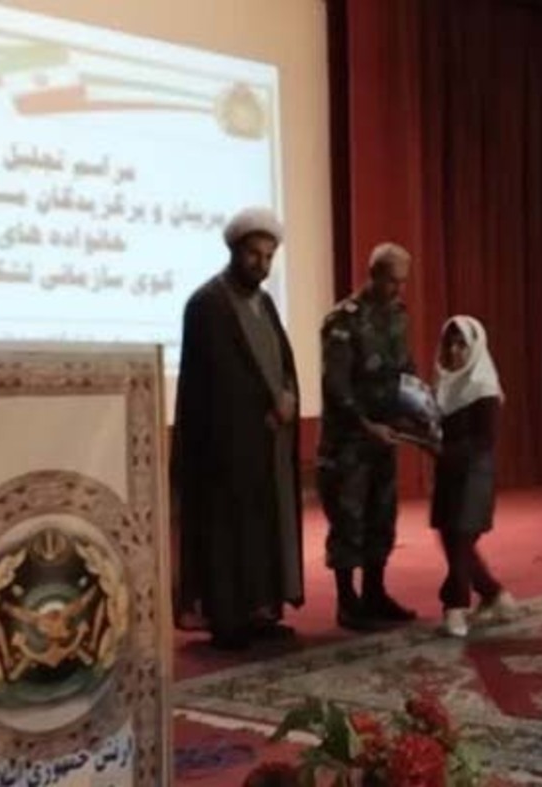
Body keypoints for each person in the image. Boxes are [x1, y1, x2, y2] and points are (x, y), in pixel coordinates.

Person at [171, 207, 303, 651]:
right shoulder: (207, 304)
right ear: (234, 251)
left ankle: (260, 611)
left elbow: (280, 362)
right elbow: (216, 381)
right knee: (229, 531)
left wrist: (288, 396)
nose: (261, 265)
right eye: (253, 255)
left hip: (267, 441)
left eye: (268, 257)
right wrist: (259, 411)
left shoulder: (264, 303)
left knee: (263, 528)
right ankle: (228, 619)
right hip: (225, 446)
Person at [317, 242, 418, 631]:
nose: (399, 289)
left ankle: (375, 592)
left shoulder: (398, 316)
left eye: (403, 282)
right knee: (348, 520)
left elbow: (405, 370)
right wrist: (366, 426)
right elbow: (336, 386)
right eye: (393, 281)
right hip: (350, 442)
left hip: (385, 437)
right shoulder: (343, 321)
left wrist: (414, 412)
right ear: (373, 275)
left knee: (381, 516)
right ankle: (347, 601)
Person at [430, 315, 515, 638]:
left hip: (474, 476)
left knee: (460, 541)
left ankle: (455, 609)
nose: (454, 351)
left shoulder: (484, 387)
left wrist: (443, 449)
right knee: (451, 539)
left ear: (476, 347)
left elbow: (484, 441)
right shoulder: (444, 383)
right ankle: (495, 595)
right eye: (449, 344)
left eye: (461, 344)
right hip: (448, 473)